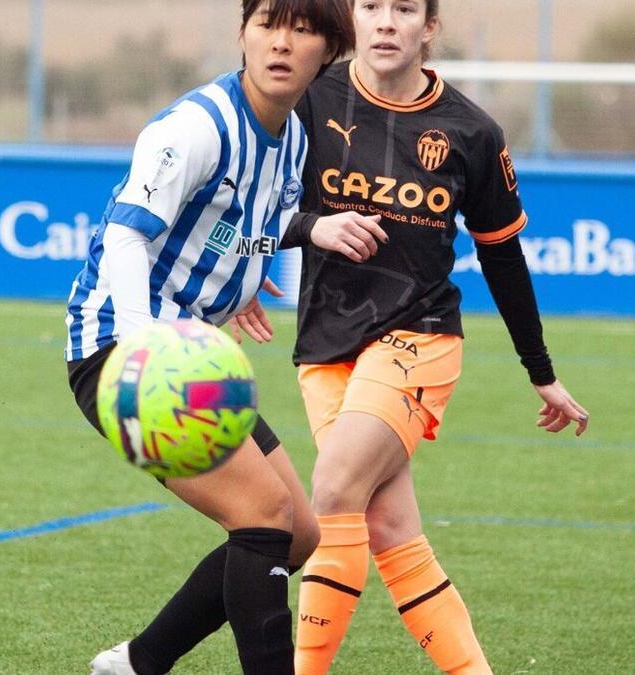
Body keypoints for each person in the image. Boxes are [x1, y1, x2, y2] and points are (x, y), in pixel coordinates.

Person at [232, 1, 591, 673]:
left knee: (333, 489)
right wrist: (277, 249)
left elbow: (502, 255)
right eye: (371, 6)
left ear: (429, 27)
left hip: (418, 335)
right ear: (354, 19)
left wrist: (539, 369)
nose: (387, 21)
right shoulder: (311, 99)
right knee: (391, 530)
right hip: (324, 345)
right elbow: (254, 206)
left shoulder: (472, 132)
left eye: (404, 9)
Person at [62, 2, 390, 674]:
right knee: (263, 514)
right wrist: (142, 351)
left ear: (329, 51)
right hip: (121, 354)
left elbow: (234, 231)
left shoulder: (292, 137)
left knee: (298, 534)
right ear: (242, 32)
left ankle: (137, 662)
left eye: (302, 29)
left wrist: (246, 273)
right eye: (268, 22)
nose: (280, 42)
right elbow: (125, 234)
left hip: (189, 355)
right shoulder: (195, 129)